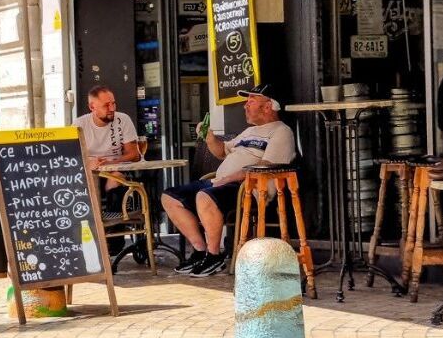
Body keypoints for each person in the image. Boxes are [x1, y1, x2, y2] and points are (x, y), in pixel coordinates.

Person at [161, 85, 296, 278]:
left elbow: (265, 165)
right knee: (170, 197)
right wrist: (209, 138)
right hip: (221, 182)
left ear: (267, 107)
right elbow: (221, 151)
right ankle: (200, 251)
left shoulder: (282, 132)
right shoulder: (249, 132)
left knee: (204, 196)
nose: (245, 106)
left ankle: (214, 256)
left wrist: (227, 179)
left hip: (249, 188)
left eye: (251, 101)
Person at [77, 85, 141, 214]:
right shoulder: (79, 125)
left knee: (115, 178)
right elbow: (73, 157)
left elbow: (134, 154)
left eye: (113, 104)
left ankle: (115, 227)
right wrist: (89, 162)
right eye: (106, 105)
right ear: (92, 107)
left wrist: (111, 163)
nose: (112, 108)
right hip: (90, 174)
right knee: (88, 182)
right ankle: (96, 224)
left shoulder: (123, 119)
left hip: (117, 170)